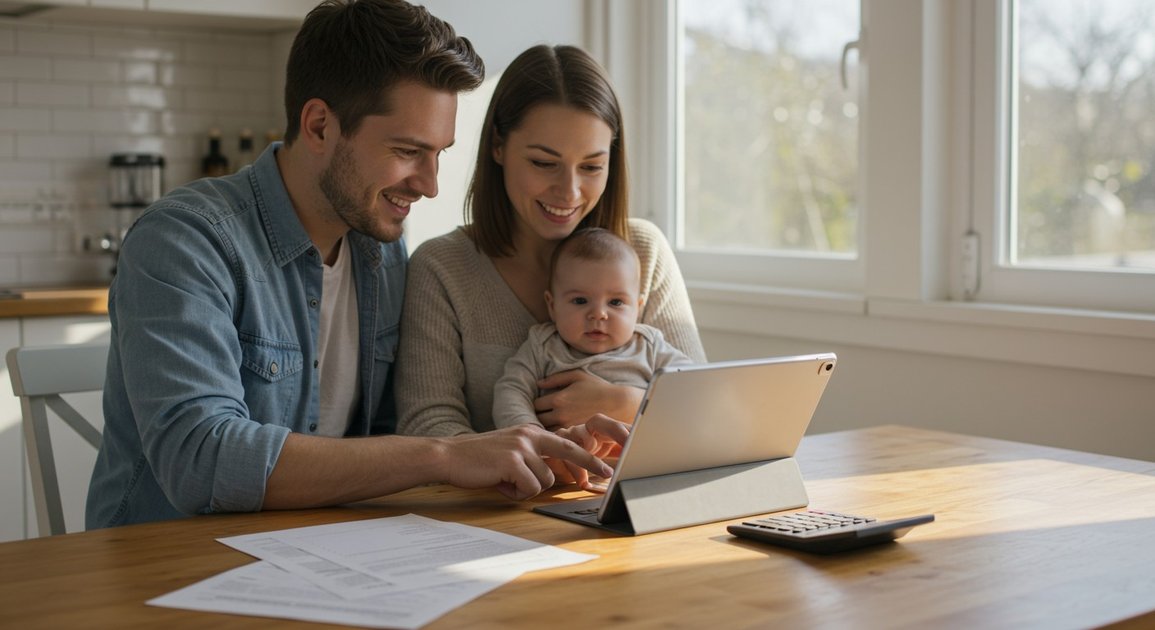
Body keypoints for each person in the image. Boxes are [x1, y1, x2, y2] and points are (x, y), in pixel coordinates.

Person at [86, 0, 617, 530]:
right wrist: (442, 455)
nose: (430, 185)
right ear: (319, 126)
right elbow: (199, 462)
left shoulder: (379, 251)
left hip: (321, 555)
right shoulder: (186, 241)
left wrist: (527, 451)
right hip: (166, 566)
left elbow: (383, 440)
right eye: (408, 150)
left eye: (438, 154)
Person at [396, 44, 707, 441]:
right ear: (498, 146)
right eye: (544, 163)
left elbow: (704, 406)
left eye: (592, 166)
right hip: (505, 497)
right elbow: (426, 426)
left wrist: (624, 403)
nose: (570, 192)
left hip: (624, 496)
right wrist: (531, 455)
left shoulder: (644, 252)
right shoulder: (442, 267)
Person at [493, 227, 694, 432]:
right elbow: (511, 391)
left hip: (639, 458)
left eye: (615, 302)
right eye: (580, 301)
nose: (598, 314)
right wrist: (529, 431)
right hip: (562, 459)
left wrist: (634, 401)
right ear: (552, 306)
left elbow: (694, 385)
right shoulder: (543, 346)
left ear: (638, 308)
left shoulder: (649, 346)